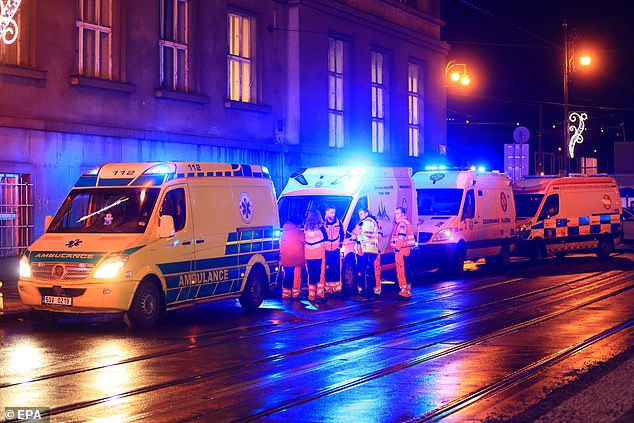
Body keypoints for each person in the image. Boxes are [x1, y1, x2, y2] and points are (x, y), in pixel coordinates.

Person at [354, 208, 379, 300]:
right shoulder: (370, 221)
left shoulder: (367, 222)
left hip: (368, 250)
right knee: (369, 271)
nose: (360, 216)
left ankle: (367, 293)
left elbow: (367, 235)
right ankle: (369, 291)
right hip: (371, 250)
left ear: (366, 213)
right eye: (359, 214)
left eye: (361, 214)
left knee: (367, 272)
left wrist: (357, 236)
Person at [391, 207, 415, 300]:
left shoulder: (401, 224)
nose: (395, 215)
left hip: (401, 250)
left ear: (402, 214)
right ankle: (407, 290)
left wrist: (397, 248)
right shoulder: (405, 223)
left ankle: (403, 292)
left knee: (401, 271)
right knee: (406, 270)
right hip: (405, 250)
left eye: (397, 213)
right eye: (395, 213)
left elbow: (401, 238)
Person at [304, 210, 328, 303]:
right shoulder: (321, 226)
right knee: (320, 274)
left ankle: (311, 296)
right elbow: (325, 238)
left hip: (308, 254)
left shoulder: (306, 227)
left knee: (311, 274)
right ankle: (320, 295)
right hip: (319, 253)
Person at [280, 215, 305, 300]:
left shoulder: (284, 231)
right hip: (296, 258)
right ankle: (295, 294)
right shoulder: (297, 231)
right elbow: (304, 240)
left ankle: (285, 294)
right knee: (296, 277)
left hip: (286, 258)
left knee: (287, 275)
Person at [323, 205, 344, 296]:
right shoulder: (322, 223)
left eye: (334, 212)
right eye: (331, 212)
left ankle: (337, 289)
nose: (333, 214)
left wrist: (340, 244)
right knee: (327, 269)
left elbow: (342, 233)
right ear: (326, 212)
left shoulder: (338, 222)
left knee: (336, 269)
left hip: (335, 249)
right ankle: (328, 289)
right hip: (326, 249)